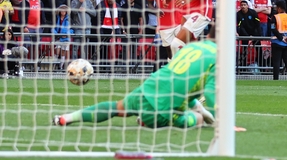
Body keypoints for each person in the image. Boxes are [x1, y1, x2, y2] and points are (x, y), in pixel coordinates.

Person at [54, 29, 217, 128]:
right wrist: (210, 115)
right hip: (164, 109)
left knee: (118, 108)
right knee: (198, 120)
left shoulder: (193, 46)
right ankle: (147, 120)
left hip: (151, 86)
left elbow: (179, 78)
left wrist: (197, 105)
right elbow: (210, 92)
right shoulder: (218, 55)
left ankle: (66, 118)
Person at [268, 0, 287, 80]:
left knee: (276, 62)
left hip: (277, 42)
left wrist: (281, 38)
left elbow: (273, 29)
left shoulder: (275, 17)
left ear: (279, 8)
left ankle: (276, 79)